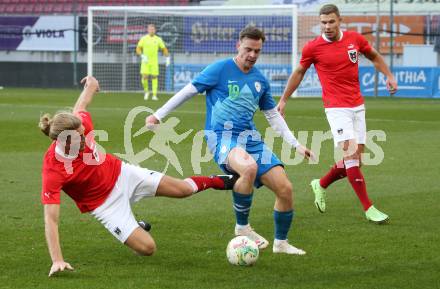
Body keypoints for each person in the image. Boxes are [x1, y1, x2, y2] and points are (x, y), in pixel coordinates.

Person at [39, 76, 236, 277]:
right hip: (105, 205)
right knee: (147, 249)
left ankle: (217, 180)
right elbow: (51, 219)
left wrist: (91, 86)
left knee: (183, 190)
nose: (85, 136)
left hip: (123, 173)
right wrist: (57, 260)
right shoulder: (53, 170)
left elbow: (81, 105)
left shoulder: (81, 126)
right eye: (80, 136)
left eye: (83, 131)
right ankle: (137, 228)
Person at [146, 26, 315, 255]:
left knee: (285, 189)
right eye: (248, 49)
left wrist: (296, 144)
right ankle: (242, 227)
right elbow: (188, 91)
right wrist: (158, 115)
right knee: (248, 168)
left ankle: (281, 243)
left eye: (257, 51)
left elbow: (273, 115)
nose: (253, 55)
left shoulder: (260, 81)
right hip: (222, 137)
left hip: (251, 139)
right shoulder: (220, 69)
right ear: (238, 45)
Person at [277, 4, 397, 224]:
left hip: (357, 106)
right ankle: (369, 208)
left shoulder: (355, 40)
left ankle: (320, 184)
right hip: (336, 108)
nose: (327, 26)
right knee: (351, 156)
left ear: (340, 20)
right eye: (323, 22)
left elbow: (374, 56)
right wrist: (283, 99)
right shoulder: (313, 48)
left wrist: (389, 75)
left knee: (355, 162)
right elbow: (299, 72)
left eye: (331, 21)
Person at [136, 23, 170, 101]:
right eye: (150, 29)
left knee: (154, 77)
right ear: (147, 30)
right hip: (145, 62)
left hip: (154, 62)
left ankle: (154, 95)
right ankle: (146, 92)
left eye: (153, 29)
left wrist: (167, 58)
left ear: (155, 30)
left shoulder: (158, 39)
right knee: (145, 76)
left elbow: (164, 49)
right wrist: (142, 56)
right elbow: (138, 48)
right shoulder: (143, 38)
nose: (151, 30)